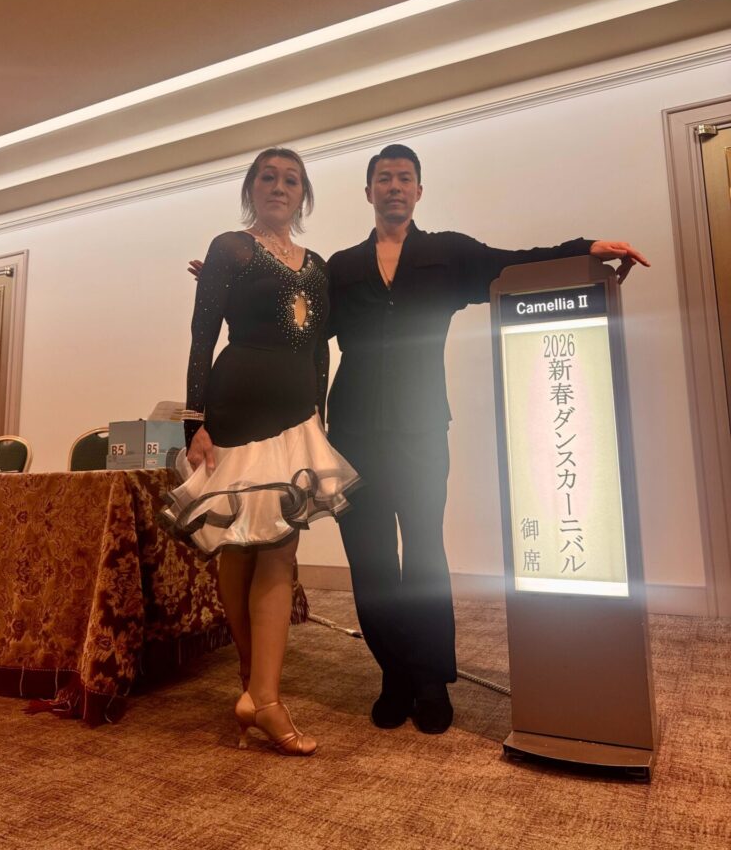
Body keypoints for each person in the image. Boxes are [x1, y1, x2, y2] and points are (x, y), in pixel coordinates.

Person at [325, 143, 649, 735]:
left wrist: (586, 249)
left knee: (424, 553)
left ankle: (429, 680)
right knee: (369, 560)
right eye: (384, 178)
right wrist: (239, 294)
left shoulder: (447, 253)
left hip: (422, 427)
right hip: (350, 433)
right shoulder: (341, 267)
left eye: (404, 178)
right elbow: (299, 329)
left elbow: (515, 263)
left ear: (418, 191)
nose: (394, 186)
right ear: (368, 192)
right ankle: (393, 675)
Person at [164, 147, 358, 756]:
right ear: (251, 188)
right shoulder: (231, 249)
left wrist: (319, 416)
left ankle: (259, 694)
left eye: (291, 180)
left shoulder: (317, 265)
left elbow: (320, 348)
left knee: (277, 547)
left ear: (304, 195)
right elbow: (202, 338)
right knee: (240, 545)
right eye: (268, 178)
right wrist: (195, 423)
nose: (279, 187)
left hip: (296, 416)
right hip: (237, 408)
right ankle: (258, 690)